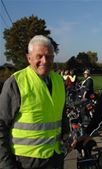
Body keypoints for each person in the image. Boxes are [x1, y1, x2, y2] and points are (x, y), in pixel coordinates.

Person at [0, 35, 69, 169]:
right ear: (29, 57)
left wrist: (66, 133)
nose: (44, 61)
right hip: (26, 162)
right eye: (39, 56)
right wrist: (5, 164)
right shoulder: (16, 83)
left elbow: (61, 113)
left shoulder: (59, 81)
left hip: (56, 157)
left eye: (49, 56)